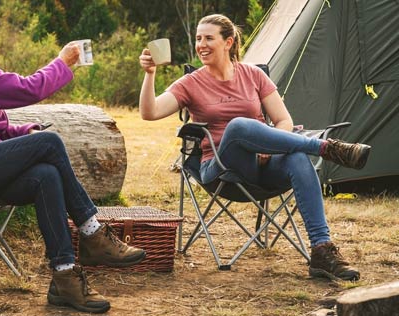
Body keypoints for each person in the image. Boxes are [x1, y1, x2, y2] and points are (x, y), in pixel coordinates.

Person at [0, 8, 145, 313]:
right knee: (49, 142)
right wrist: (62, 63)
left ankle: (64, 278)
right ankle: (92, 233)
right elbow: (27, 88)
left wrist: (23, 131)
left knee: (45, 175)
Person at [138, 14, 371, 281]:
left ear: (228, 42)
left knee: (297, 159)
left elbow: (283, 120)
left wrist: (269, 148)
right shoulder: (191, 83)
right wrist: (150, 74)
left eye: (208, 38)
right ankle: (324, 148)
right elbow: (150, 112)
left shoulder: (254, 75)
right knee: (238, 126)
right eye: (198, 38)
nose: (201, 44)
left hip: (262, 165)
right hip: (221, 167)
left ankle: (322, 251)